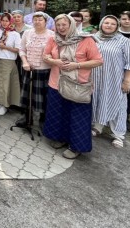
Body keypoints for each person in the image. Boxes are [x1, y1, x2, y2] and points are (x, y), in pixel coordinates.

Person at [41, 14, 103, 159]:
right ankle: (60, 138)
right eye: (58, 25)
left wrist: (77, 65)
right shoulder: (53, 39)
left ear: (72, 25)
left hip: (78, 85)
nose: (61, 28)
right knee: (59, 113)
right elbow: (45, 56)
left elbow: (98, 61)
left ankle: (76, 147)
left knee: (77, 117)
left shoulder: (86, 40)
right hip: (56, 83)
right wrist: (55, 61)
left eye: (64, 25)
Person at [91, 15, 130, 148]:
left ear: (117, 26)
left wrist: (127, 81)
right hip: (95, 78)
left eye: (112, 24)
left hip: (114, 80)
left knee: (117, 105)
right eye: (106, 23)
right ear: (101, 24)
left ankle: (118, 135)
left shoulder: (124, 42)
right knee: (97, 101)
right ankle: (97, 127)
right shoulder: (95, 38)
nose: (108, 25)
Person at [18, 12, 54, 125]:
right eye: (35, 19)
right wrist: (24, 62)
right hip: (28, 68)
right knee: (27, 95)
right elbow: (22, 49)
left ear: (46, 22)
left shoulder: (51, 35)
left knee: (43, 96)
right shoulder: (27, 33)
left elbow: (54, 52)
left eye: (40, 20)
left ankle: (44, 120)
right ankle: (27, 118)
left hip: (44, 70)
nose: (37, 22)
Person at [0, 13, 22, 116]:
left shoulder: (15, 34)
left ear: (10, 22)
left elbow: (18, 50)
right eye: (3, 20)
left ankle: (6, 105)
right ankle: (0, 102)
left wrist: (5, 47)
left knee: (6, 84)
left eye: (6, 21)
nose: (4, 23)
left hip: (8, 61)